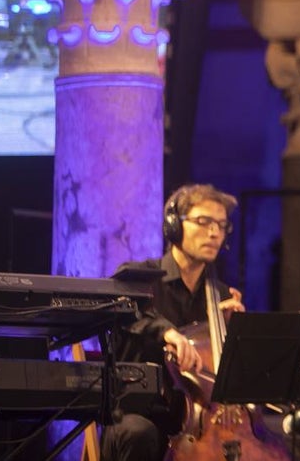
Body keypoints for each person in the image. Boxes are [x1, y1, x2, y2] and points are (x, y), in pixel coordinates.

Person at [100, 183, 246, 461]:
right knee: (139, 433)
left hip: (197, 421)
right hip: (138, 414)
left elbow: (229, 374)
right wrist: (168, 332)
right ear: (174, 226)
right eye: (203, 222)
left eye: (221, 225)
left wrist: (234, 333)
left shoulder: (221, 297)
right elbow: (121, 308)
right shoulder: (138, 279)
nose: (214, 233)